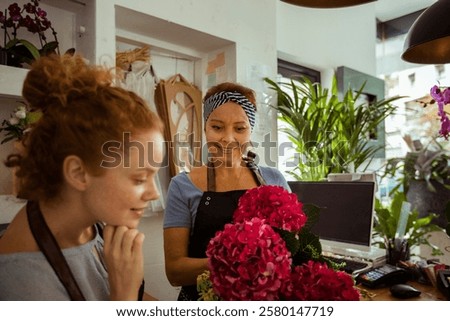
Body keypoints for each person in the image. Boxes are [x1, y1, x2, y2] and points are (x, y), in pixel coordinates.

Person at [0, 54, 164, 300]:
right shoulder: (23, 283)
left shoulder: (91, 224)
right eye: (139, 179)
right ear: (78, 173)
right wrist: (125, 295)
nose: (155, 193)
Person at [163, 82, 290, 300]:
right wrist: (238, 263)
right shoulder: (182, 186)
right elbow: (175, 272)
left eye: (239, 129)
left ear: (250, 131)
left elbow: (293, 248)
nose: (228, 138)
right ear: (205, 129)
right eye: (217, 127)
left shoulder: (274, 179)